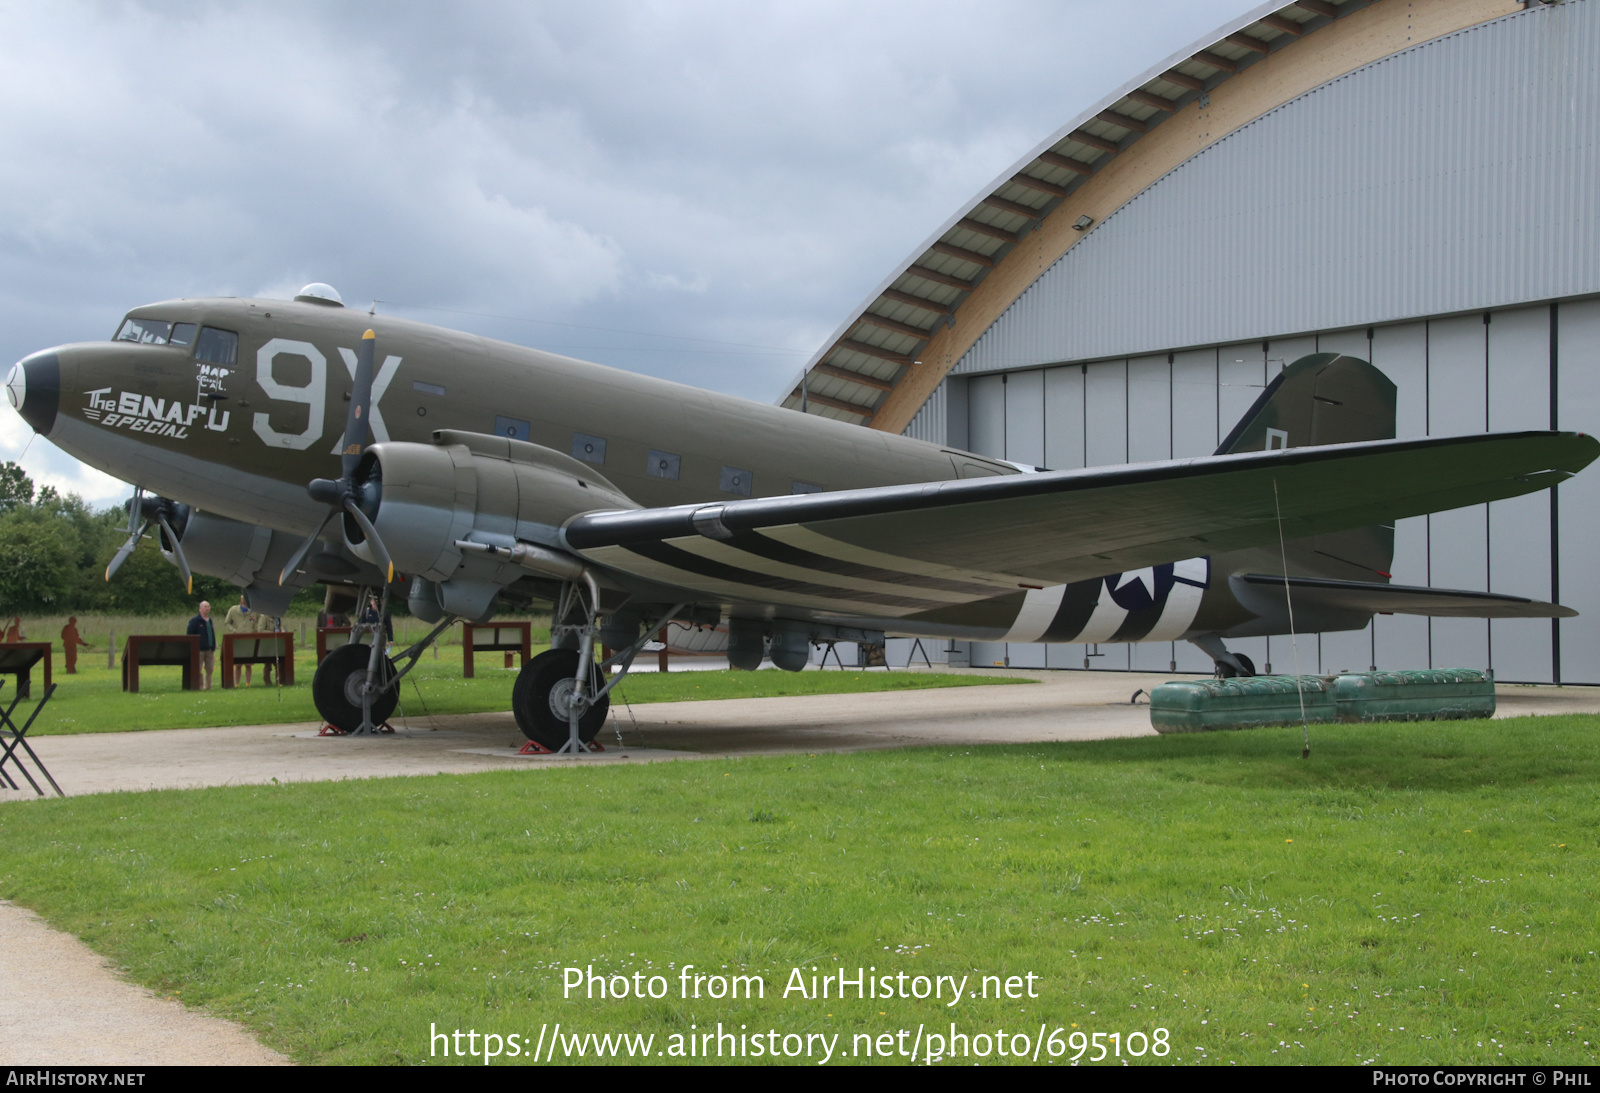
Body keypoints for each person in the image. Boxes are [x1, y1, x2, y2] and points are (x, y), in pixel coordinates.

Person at [224, 595, 255, 686]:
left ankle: (248, 683)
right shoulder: (233, 610)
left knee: (248, 664)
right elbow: (227, 623)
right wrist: (234, 631)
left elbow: (257, 623)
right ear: (242, 602)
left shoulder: (253, 612)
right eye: (246, 602)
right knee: (238, 664)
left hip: (249, 640)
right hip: (237, 640)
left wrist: (254, 632)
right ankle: (237, 683)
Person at [187, 601, 216, 690]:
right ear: (200, 609)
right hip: (199, 649)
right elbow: (189, 634)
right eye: (205, 607)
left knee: (210, 669)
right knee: (198, 669)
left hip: (209, 649)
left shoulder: (209, 620)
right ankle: (199, 686)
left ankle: (208, 686)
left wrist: (213, 645)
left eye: (208, 607)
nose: (207, 608)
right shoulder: (195, 621)